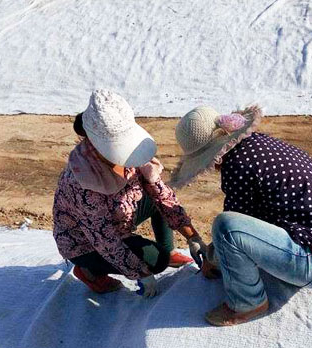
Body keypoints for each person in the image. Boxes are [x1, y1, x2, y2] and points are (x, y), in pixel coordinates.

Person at [172, 105, 312, 325]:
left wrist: (211, 259)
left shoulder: (238, 165)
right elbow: (255, 218)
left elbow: (234, 229)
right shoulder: (259, 145)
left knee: (225, 226)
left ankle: (247, 303)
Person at [53, 89, 208, 296]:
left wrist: (193, 237)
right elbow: (104, 240)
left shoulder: (132, 154)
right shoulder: (82, 181)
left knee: (154, 198)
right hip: (86, 241)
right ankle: (89, 271)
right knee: (156, 260)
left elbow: (162, 196)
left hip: (121, 214)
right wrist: (139, 273)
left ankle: (168, 249)